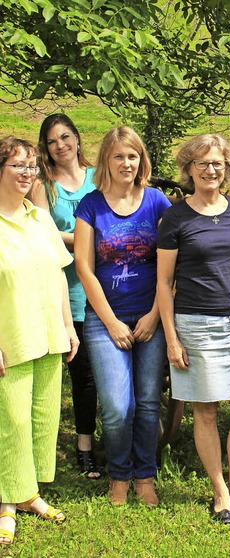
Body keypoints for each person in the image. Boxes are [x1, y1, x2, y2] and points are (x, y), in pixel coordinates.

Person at [157, 134, 230, 524]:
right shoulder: (175, 217)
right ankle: (219, 490)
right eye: (203, 163)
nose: (211, 170)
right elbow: (164, 284)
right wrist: (172, 338)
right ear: (189, 169)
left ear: (227, 169)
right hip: (196, 324)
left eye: (218, 163)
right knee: (205, 411)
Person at [74, 127, 171, 506]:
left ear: (141, 160)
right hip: (103, 317)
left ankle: (144, 474)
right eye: (118, 156)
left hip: (150, 315)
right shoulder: (91, 205)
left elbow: (170, 267)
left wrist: (154, 315)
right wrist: (111, 321)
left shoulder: (158, 203)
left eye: (132, 156)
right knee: (117, 405)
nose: (126, 163)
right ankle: (119, 474)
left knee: (147, 400)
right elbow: (84, 266)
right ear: (106, 161)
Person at [0, 137, 79, 546]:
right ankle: (6, 504)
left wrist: (68, 327)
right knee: (9, 421)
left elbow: (59, 276)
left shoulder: (41, 218)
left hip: (48, 333)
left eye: (32, 167)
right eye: (18, 166)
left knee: (41, 417)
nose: (28, 174)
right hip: (10, 336)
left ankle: (28, 492)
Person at [29, 113, 101, 479]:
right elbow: (44, 234)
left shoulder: (97, 175)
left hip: (105, 287)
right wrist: (89, 237)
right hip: (67, 289)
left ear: (77, 138)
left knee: (100, 371)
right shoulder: (44, 185)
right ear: (46, 147)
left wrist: (77, 236)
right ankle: (84, 446)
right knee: (81, 372)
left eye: (66, 136)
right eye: (53, 140)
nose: (61, 145)